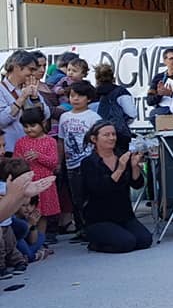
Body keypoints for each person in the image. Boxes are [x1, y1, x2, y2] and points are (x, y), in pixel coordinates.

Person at [81, 120, 151, 254]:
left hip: (124, 215)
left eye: (113, 134)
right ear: (94, 139)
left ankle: (118, 233)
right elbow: (100, 190)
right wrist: (120, 169)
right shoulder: (88, 163)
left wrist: (134, 166)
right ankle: (95, 243)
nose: (112, 138)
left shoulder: (121, 155)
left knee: (144, 240)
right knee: (126, 243)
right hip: (99, 218)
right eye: (106, 135)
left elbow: (137, 184)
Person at [59, 82, 101, 236]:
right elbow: (61, 140)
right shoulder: (64, 117)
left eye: (79, 96)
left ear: (88, 99)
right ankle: (81, 228)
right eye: (72, 95)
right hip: (71, 164)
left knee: (90, 197)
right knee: (76, 197)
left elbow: (99, 140)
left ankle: (93, 228)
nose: (75, 99)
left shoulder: (93, 117)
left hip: (88, 162)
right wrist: (59, 161)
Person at [14, 111, 58, 245]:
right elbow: (15, 161)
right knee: (27, 210)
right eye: (25, 126)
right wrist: (23, 161)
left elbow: (53, 162)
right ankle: (28, 240)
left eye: (33, 125)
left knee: (42, 212)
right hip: (28, 181)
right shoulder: (21, 142)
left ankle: (41, 240)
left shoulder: (50, 141)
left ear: (43, 124)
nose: (29, 129)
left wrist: (39, 156)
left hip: (44, 181)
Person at [1, 51, 50, 153]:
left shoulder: (28, 87)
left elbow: (46, 115)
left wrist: (35, 98)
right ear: (17, 67)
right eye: (31, 69)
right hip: (9, 152)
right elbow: (2, 121)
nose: (33, 73)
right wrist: (22, 98)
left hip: (32, 152)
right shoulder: (1, 90)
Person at [93, 64, 135, 152]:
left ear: (96, 78)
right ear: (113, 77)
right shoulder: (121, 91)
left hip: (97, 135)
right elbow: (132, 113)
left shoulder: (91, 94)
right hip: (118, 134)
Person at [146, 48, 173, 121]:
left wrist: (172, 94)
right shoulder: (159, 77)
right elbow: (149, 101)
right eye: (172, 58)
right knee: (154, 115)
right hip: (164, 111)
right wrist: (160, 94)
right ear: (165, 61)